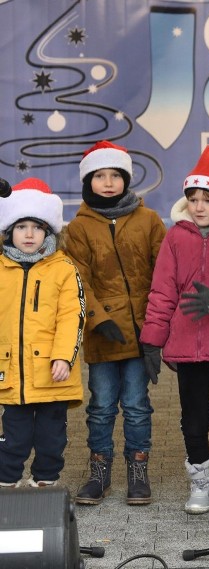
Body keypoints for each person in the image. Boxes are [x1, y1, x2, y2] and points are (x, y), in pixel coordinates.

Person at [139, 145, 209, 515]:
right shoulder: (176, 237)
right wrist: (152, 341)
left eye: (207, 199)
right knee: (191, 420)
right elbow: (162, 291)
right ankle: (201, 483)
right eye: (193, 198)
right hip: (186, 348)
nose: (198, 206)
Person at [64, 140, 167, 505]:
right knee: (102, 405)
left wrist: (158, 324)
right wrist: (97, 319)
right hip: (102, 335)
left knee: (138, 404)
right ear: (88, 180)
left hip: (140, 333)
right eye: (99, 176)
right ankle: (99, 470)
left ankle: (138, 468)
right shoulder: (77, 228)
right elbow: (77, 278)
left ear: (126, 178)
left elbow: (163, 274)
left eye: (115, 175)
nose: (108, 182)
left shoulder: (148, 220)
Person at [0, 178, 86, 488]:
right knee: (13, 438)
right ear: (9, 231)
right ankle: (6, 483)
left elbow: (72, 316)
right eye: (21, 226)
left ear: (48, 232)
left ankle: (45, 482)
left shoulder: (63, 268)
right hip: (12, 374)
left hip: (53, 371)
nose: (29, 234)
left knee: (51, 438)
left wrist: (63, 356)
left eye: (37, 227)